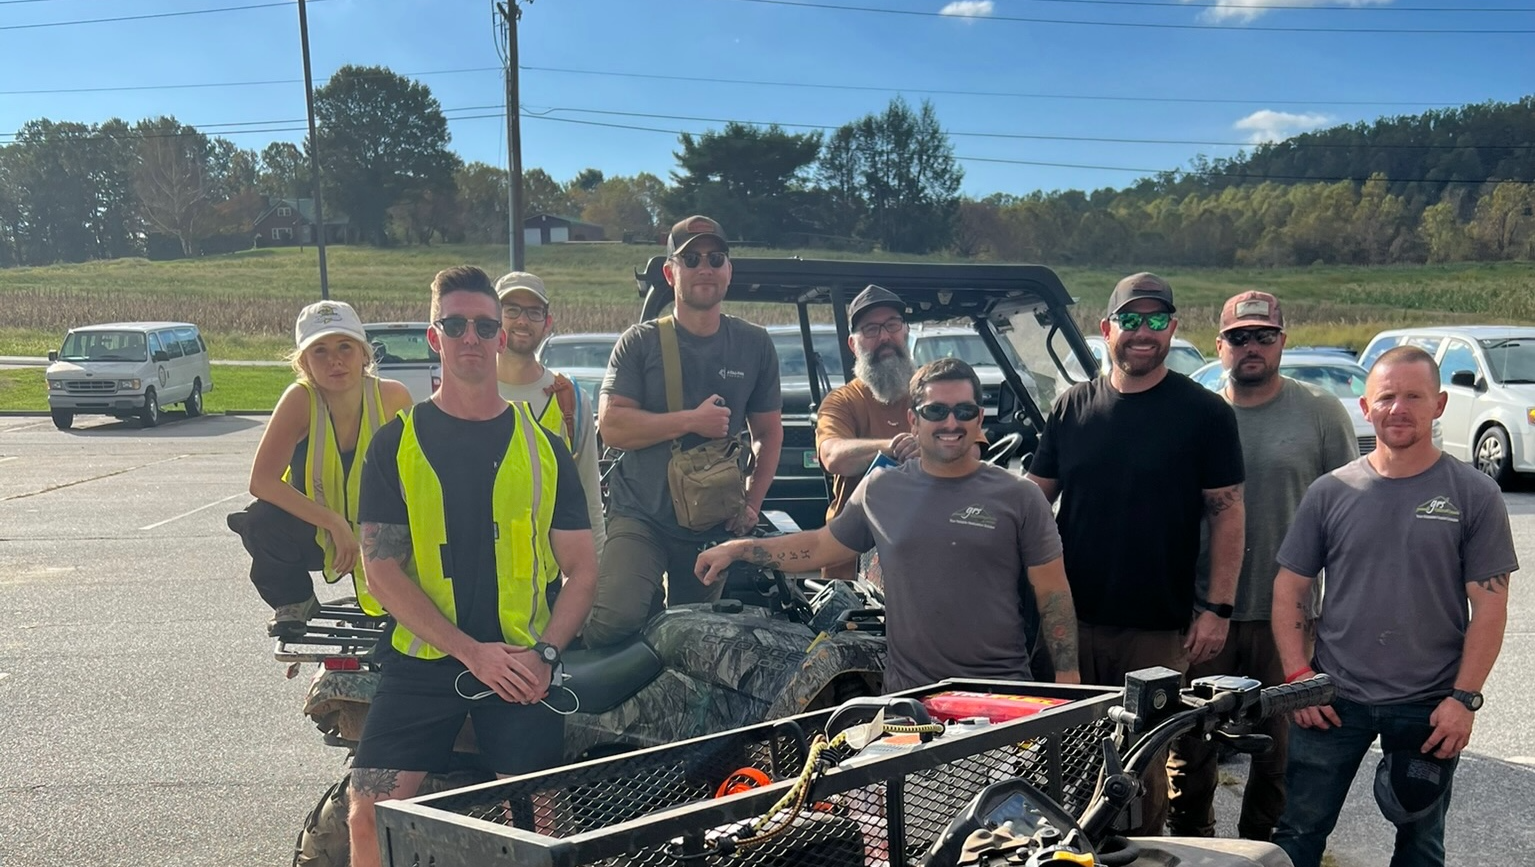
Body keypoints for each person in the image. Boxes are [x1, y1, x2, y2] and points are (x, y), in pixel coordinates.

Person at [345, 266, 598, 867]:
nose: (471, 338)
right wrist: (470, 653)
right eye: (455, 324)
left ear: (501, 336)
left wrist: (545, 655)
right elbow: (382, 571)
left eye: (485, 326)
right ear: (434, 337)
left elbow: (583, 570)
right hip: (424, 661)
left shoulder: (544, 447)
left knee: (542, 831)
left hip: (521, 664)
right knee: (367, 816)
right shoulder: (395, 443)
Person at [1269, 346, 1516, 867]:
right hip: (1333, 698)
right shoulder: (1330, 492)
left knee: (1421, 846)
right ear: (1366, 407)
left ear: (1440, 404)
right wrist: (1297, 679)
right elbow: (1290, 588)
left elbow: (1491, 606)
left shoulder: (1474, 494)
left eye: (1414, 397)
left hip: (1430, 704)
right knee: (1298, 833)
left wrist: (1463, 700)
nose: (1398, 409)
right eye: (1386, 398)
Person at [697, 358, 1081, 691]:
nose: (951, 422)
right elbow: (818, 547)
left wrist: (1068, 677)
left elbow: (1053, 593)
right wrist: (741, 550)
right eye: (936, 411)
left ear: (980, 418)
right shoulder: (881, 489)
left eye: (963, 411)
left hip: (1001, 694)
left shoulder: (1021, 496)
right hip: (910, 702)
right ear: (914, 420)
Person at [1025, 271, 1245, 835]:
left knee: (1142, 771)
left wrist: (1217, 609)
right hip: (1071, 622)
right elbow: (1031, 502)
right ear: (1106, 329)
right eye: (1130, 319)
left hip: (1157, 628)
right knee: (1065, 758)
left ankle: (1145, 853)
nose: (1142, 332)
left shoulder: (1205, 414)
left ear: (1172, 328)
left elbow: (1226, 513)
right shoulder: (1071, 408)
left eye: (1156, 319)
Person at [1166, 291, 1358, 842]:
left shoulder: (1320, 412)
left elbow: (1348, 516)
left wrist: (1336, 613)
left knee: (1279, 751)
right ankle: (1193, 844)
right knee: (1190, 746)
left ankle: (1260, 849)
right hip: (1205, 613)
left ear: (1282, 342)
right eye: (1239, 337)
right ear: (1219, 345)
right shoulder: (1198, 414)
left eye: (1263, 336)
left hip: (1288, 617)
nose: (1251, 347)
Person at [583, 215, 784, 648]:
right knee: (615, 617)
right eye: (691, 259)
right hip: (641, 514)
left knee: (694, 639)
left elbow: (769, 433)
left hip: (712, 523)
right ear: (671, 273)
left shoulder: (754, 344)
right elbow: (612, 426)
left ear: (729, 270)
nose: (705, 268)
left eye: (716, 258)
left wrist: (751, 505)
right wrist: (690, 421)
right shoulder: (639, 343)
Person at [227, 300, 413, 637]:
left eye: (345, 347)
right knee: (258, 520)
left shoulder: (393, 397)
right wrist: (334, 522)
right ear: (304, 363)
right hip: (316, 535)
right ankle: (295, 599)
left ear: (364, 353)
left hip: (380, 533)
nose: (335, 360)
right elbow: (262, 481)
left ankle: (404, 598)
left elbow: (418, 474)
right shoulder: (299, 400)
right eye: (320, 351)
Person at [494, 270, 607, 561]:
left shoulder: (570, 400)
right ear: (492, 318)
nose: (522, 321)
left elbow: (589, 498)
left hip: (552, 576)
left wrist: (595, 571)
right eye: (512, 310)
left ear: (547, 322)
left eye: (534, 312)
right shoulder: (469, 394)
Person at [814, 284, 917, 581]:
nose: (884, 337)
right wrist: (895, 446)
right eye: (871, 329)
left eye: (892, 325)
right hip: (852, 561)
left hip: (922, 554)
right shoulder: (842, 401)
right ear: (853, 344)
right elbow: (833, 457)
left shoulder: (932, 396)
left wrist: (929, 450)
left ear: (906, 331)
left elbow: (971, 450)